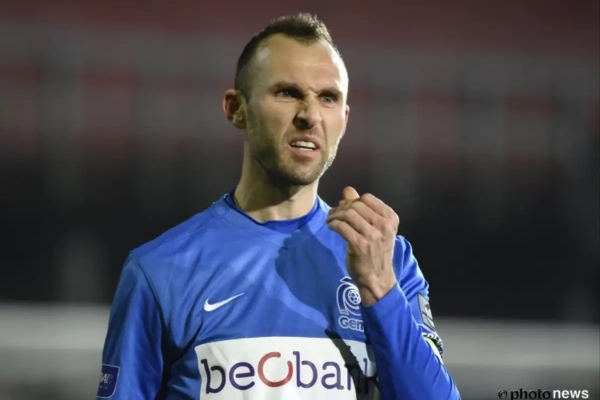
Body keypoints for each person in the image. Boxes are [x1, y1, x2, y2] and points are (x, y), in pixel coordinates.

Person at [97, 13, 461, 400]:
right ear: (236, 109)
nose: (310, 116)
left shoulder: (388, 260)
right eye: (287, 93)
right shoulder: (161, 270)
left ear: (344, 119)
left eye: (328, 98)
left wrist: (378, 286)